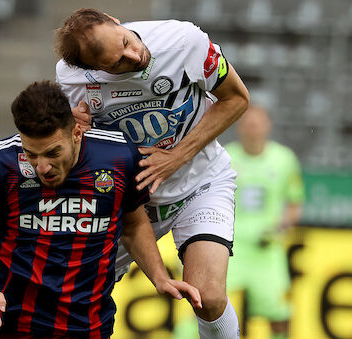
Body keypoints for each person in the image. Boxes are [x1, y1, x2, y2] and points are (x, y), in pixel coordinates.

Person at [0, 80, 202, 339]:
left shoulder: (118, 156)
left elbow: (134, 226)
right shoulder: (1, 160)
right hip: (5, 326)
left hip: (85, 328)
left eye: (52, 153)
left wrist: (159, 277)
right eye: (31, 154)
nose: (41, 166)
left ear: (77, 132)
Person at [54, 8, 250, 338]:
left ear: (115, 20)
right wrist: (76, 132)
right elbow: (66, 150)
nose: (135, 55)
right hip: (132, 207)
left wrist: (175, 157)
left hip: (199, 183)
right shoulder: (71, 80)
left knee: (208, 297)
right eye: (118, 62)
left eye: (126, 41)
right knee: (71, 296)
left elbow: (236, 99)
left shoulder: (184, 42)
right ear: (95, 70)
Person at [225, 105, 304, 339]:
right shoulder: (225, 157)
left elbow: (294, 204)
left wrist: (279, 227)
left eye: (257, 124)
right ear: (239, 127)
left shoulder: (284, 159)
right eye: (248, 124)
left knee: (279, 314)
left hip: (267, 250)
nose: (253, 129)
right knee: (208, 306)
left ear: (268, 126)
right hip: (231, 247)